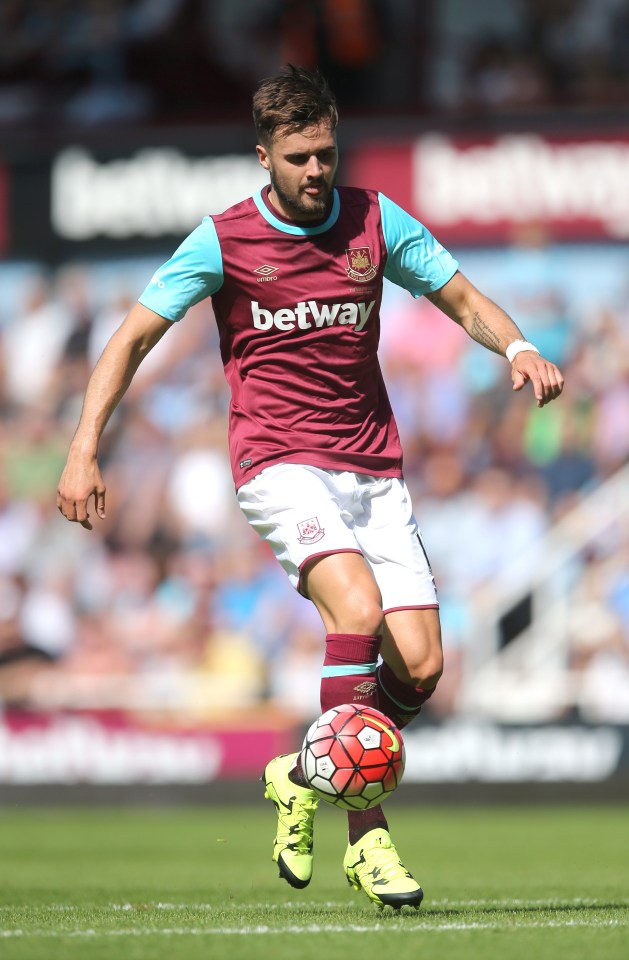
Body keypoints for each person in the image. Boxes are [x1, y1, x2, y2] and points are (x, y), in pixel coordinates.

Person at [57, 65, 564, 909]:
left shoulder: (375, 221)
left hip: (373, 470)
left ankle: (301, 773)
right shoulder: (223, 240)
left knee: (424, 669)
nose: (316, 172)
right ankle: (369, 845)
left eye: (325, 153)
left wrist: (513, 349)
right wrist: (83, 446)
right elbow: (132, 339)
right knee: (355, 614)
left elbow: (463, 298)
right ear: (264, 157)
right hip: (278, 464)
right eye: (297, 158)